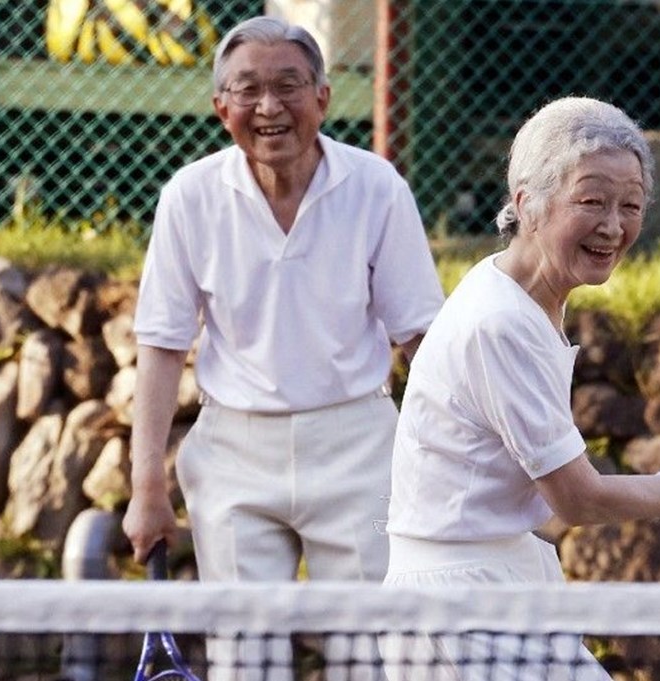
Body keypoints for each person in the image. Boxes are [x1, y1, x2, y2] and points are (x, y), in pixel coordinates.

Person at [379, 96, 660, 680]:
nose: (613, 226)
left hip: (498, 587)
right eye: (591, 201)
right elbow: (579, 498)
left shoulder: (514, 292)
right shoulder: (500, 322)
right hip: (457, 612)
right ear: (527, 205)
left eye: (631, 205)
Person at [121, 15, 445, 681]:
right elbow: (160, 343)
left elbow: (421, 337)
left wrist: (474, 450)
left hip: (361, 446)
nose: (269, 107)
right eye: (248, 90)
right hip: (232, 454)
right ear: (221, 108)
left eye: (289, 86)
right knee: (246, 663)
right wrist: (146, 483)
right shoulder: (190, 195)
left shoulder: (377, 186)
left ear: (323, 97)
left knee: (372, 660)